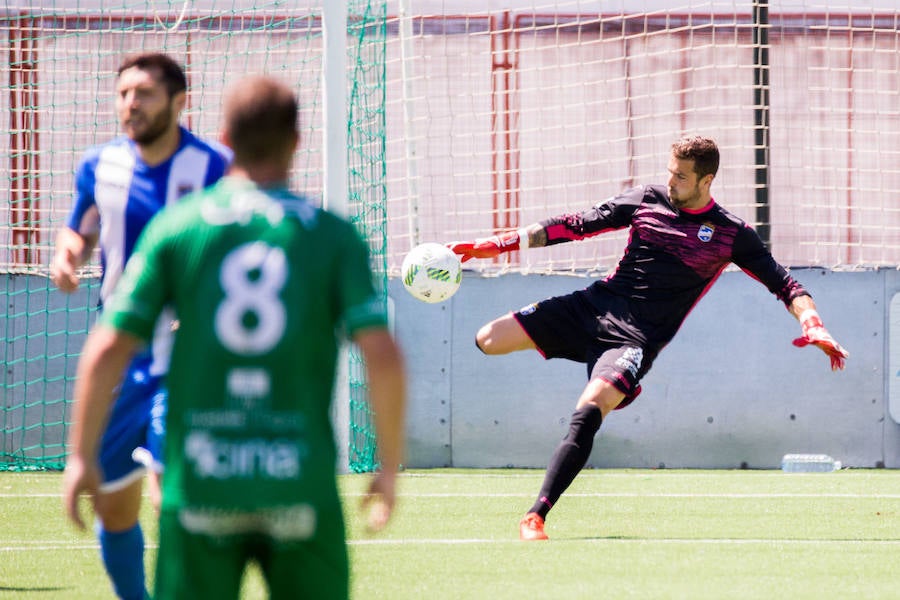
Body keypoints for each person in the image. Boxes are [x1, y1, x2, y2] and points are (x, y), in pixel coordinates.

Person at [62, 74, 406, 599]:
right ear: (297, 140)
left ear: (223, 138)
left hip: (203, 480)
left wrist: (80, 456)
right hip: (298, 479)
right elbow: (381, 353)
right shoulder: (332, 235)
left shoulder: (179, 228)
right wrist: (386, 466)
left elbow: (109, 345)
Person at [448, 135, 848, 541]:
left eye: (681, 176)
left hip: (634, 339)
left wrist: (812, 323)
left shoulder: (730, 234)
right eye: (670, 172)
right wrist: (498, 245)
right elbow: (577, 224)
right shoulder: (647, 199)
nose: (670, 181)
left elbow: (786, 284)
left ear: (706, 181)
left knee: (588, 410)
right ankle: (615, 380)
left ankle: (535, 515)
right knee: (487, 339)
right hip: (591, 308)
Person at [51, 52, 230, 599]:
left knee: (170, 491)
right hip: (122, 355)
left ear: (180, 102)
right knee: (114, 504)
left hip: (190, 354)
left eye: (145, 93)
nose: (132, 103)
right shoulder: (98, 165)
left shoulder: (216, 168)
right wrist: (68, 256)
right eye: (125, 93)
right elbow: (78, 228)